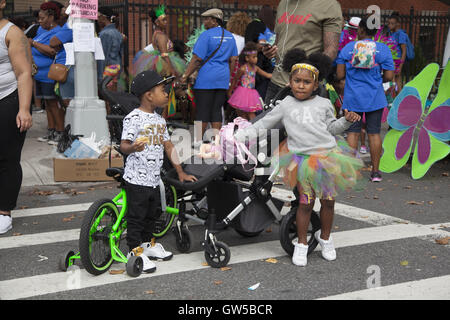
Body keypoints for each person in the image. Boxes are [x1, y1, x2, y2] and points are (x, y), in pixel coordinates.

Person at [235, 49, 363, 267]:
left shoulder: (324, 104)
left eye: (306, 82)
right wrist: (241, 135)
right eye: (296, 81)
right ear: (290, 81)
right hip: (302, 161)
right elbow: (265, 123)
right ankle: (302, 244)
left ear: (316, 84)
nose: (301, 85)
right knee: (305, 204)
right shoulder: (285, 104)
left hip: (327, 158)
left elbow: (332, 128)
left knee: (328, 202)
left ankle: (325, 238)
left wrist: (346, 121)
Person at [120, 70, 197, 272]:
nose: (166, 94)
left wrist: (180, 172)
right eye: (162, 90)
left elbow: (169, 147)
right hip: (137, 179)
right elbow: (123, 145)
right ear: (149, 95)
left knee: (152, 214)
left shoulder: (159, 121)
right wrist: (132, 148)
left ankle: (147, 245)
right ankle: (134, 251)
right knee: (136, 217)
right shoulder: (133, 118)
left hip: (154, 179)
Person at [336, 17, 395, 182]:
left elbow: (340, 75)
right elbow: (389, 76)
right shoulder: (383, 50)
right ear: (376, 31)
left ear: (360, 30)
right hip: (375, 98)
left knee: (353, 133)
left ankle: (349, 172)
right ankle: (376, 172)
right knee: (374, 133)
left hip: (353, 97)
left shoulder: (348, 48)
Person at [262, 0, 343, 104]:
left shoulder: (329, 5)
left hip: (303, 89)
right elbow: (279, 42)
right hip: (276, 83)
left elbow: (331, 50)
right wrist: (270, 50)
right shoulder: (284, 3)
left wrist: (303, 80)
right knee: (269, 120)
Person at [181, 8, 238, 143]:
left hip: (206, 78)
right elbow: (233, 59)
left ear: (214, 20)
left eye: (207, 19)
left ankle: (198, 141)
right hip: (222, 78)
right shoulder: (230, 36)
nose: (204, 22)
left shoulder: (206, 35)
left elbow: (196, 59)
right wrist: (228, 76)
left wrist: (185, 75)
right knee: (216, 109)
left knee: (203, 109)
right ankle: (215, 140)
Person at [0, 0, 33, 234]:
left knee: (7, 158)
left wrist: (24, 108)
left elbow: (23, 73)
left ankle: (4, 212)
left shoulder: (11, 33)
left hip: (8, 99)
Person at [31, 1, 63, 144]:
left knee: (53, 104)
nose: (40, 21)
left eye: (42, 18)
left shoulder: (59, 32)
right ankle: (51, 131)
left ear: (51, 17)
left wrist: (34, 43)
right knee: (47, 104)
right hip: (39, 74)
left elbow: (52, 51)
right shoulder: (40, 30)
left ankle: (60, 132)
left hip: (50, 74)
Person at [228, 42, 272, 120]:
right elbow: (235, 80)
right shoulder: (243, 69)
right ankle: (245, 128)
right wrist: (230, 91)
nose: (256, 59)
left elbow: (267, 75)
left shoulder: (256, 68)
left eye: (256, 57)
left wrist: (276, 75)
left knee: (251, 113)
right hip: (242, 93)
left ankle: (252, 129)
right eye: (254, 57)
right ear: (247, 58)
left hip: (252, 94)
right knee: (243, 114)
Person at [244, 5, 276, 101]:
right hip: (259, 68)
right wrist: (262, 46)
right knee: (257, 99)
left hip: (270, 68)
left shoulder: (273, 27)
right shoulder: (255, 25)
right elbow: (249, 45)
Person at [49, 0, 74, 117]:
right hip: (68, 66)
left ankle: (71, 128)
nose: (63, 9)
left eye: (65, 7)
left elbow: (53, 42)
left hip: (67, 67)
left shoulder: (71, 24)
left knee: (67, 100)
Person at [97, 6, 123, 93]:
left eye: (98, 17)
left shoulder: (105, 34)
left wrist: (100, 76)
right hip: (116, 68)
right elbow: (120, 53)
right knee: (113, 97)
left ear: (103, 17)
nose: (97, 20)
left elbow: (103, 56)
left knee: (107, 97)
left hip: (107, 70)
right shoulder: (117, 33)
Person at [388, 12, 410, 92]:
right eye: (389, 23)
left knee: (396, 82)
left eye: (392, 23)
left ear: (397, 24)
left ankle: (396, 101)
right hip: (391, 61)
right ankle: (397, 101)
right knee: (394, 82)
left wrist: (400, 66)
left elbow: (404, 51)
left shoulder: (400, 34)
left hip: (397, 62)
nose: (389, 25)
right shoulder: (391, 33)